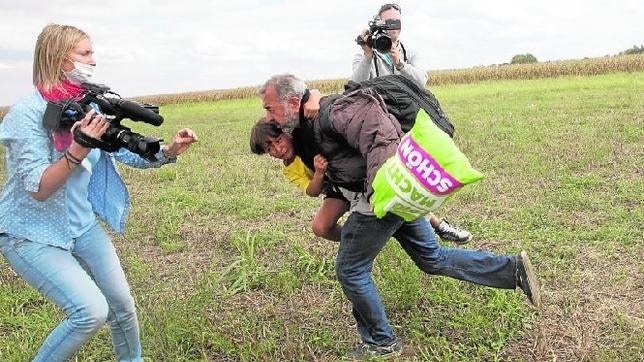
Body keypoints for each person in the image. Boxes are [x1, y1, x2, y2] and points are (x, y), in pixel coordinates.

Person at [258, 73, 541, 358]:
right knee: (433, 258)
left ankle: (381, 341)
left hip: (379, 198)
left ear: (293, 102)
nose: (269, 117)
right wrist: (312, 96)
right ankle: (512, 269)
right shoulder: (303, 120)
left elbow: (378, 131)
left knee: (350, 270)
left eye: (269, 109)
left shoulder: (332, 110)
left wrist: (379, 190)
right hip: (393, 195)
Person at [0, 23, 198, 361]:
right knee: (89, 312)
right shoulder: (26, 115)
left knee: (121, 305)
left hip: (81, 225)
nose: (93, 60)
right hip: (30, 233)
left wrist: (169, 152)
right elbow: (40, 189)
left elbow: (121, 151)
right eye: (85, 53)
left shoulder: (87, 106)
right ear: (61, 59)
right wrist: (79, 147)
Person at [350, 3, 472, 244]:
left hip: (407, 117)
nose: (392, 28)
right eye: (387, 23)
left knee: (412, 173)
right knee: (397, 174)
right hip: (378, 119)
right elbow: (355, 85)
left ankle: (430, 224)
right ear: (378, 24)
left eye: (396, 23)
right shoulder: (366, 50)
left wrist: (400, 64)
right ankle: (435, 225)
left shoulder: (408, 50)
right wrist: (367, 55)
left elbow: (422, 82)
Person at [250, 120, 349, 241]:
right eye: (270, 149)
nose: (278, 149)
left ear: (287, 132)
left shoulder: (306, 137)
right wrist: (318, 173)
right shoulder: (289, 169)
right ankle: (355, 239)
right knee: (320, 227)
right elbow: (312, 192)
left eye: (278, 140)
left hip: (350, 177)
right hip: (335, 190)